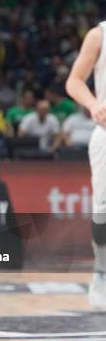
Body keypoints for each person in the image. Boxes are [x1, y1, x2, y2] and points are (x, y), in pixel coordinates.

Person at [66, 22, 106, 308]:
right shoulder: (99, 34)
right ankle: (101, 274)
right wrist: (93, 105)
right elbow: (74, 81)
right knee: (103, 212)